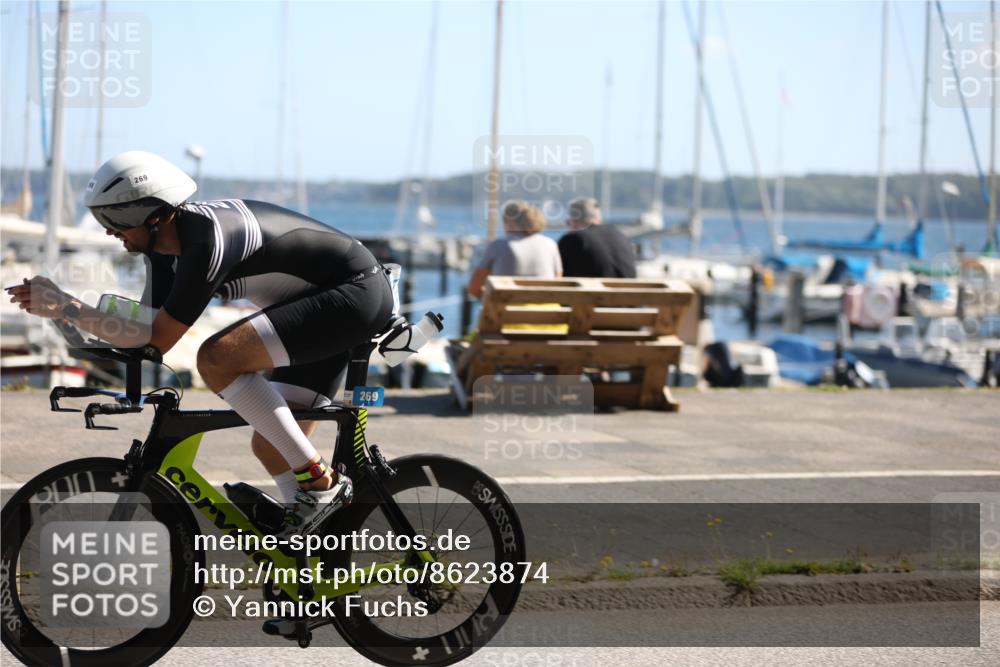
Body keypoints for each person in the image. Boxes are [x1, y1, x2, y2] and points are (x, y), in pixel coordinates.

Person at [7, 151, 396, 537]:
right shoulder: (162, 251)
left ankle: (320, 485)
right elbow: (144, 336)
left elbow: (159, 337)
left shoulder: (206, 240)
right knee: (272, 445)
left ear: (156, 215)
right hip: (316, 303)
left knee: (216, 358)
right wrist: (64, 312)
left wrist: (70, 307)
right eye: (100, 217)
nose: (108, 229)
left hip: (355, 294)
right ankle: (315, 554)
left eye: (116, 218)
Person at [466, 200, 562, 298]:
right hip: (547, 310)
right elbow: (557, 284)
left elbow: (474, 289)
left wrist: (492, 296)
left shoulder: (498, 245)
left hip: (506, 311)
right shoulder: (551, 244)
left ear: (509, 221)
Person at [558, 196, 637, 278]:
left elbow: (559, 276)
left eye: (568, 222)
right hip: (629, 290)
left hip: (593, 290)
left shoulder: (573, 239)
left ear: (573, 220)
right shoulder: (621, 236)